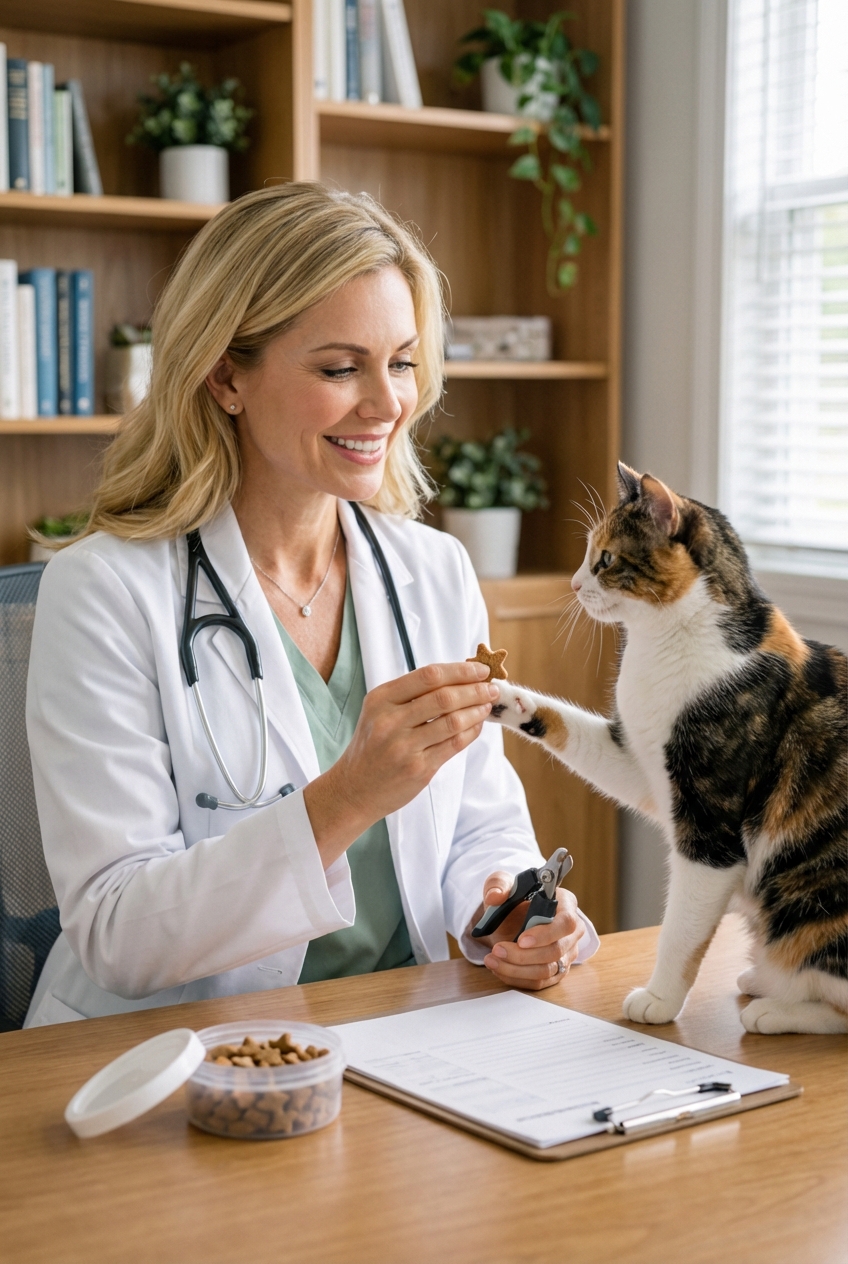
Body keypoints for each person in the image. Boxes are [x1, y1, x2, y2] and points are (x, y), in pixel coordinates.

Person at [24, 184, 598, 1027]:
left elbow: (480, 821)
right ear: (226, 376)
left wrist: (516, 907)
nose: (388, 403)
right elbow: (118, 934)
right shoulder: (104, 592)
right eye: (340, 368)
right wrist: (350, 794)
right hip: (177, 1049)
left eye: (401, 362)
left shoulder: (433, 571)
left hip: (396, 1026)